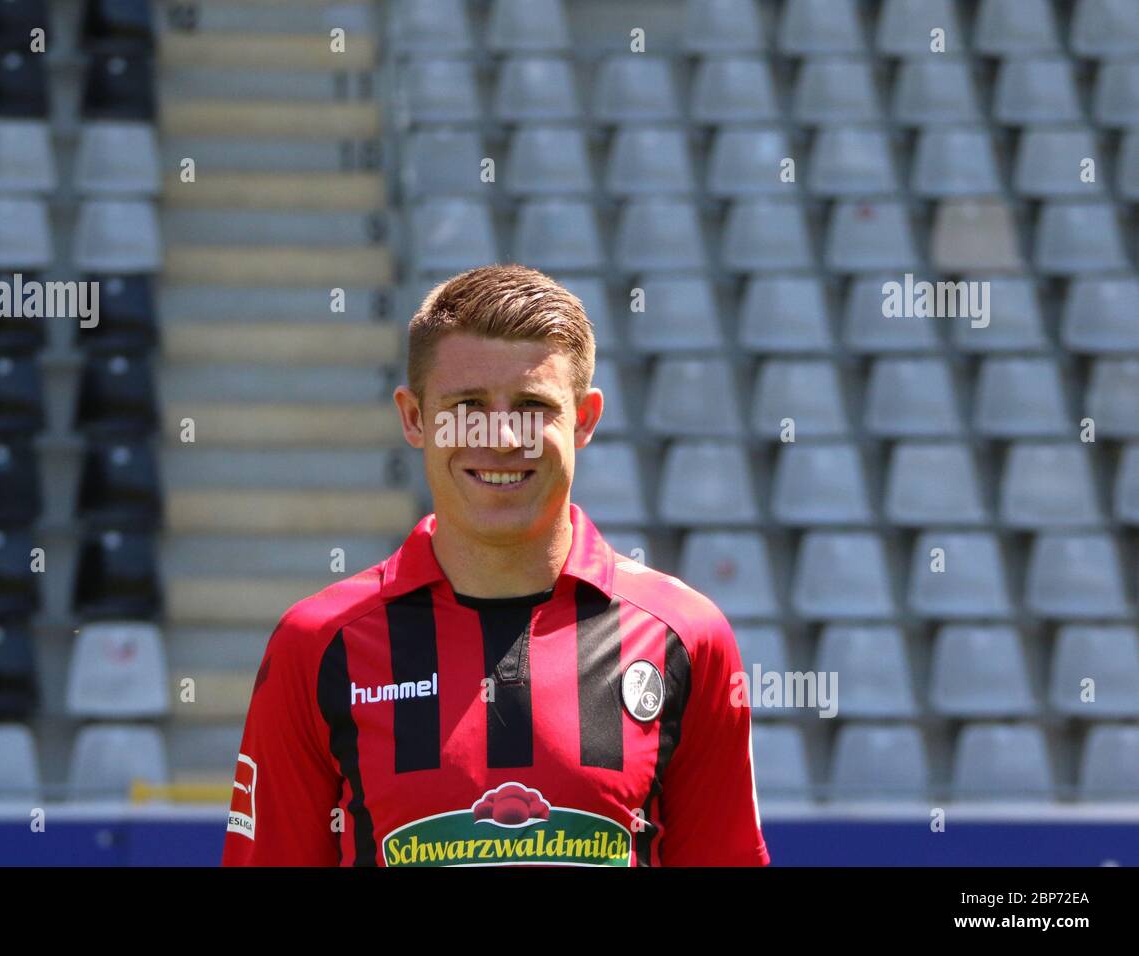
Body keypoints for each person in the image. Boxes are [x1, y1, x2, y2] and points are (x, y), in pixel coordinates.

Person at [222, 264, 768, 866]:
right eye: (467, 406)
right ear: (413, 418)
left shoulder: (687, 636)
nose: (504, 437)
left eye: (533, 407)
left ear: (584, 420)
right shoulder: (317, 643)